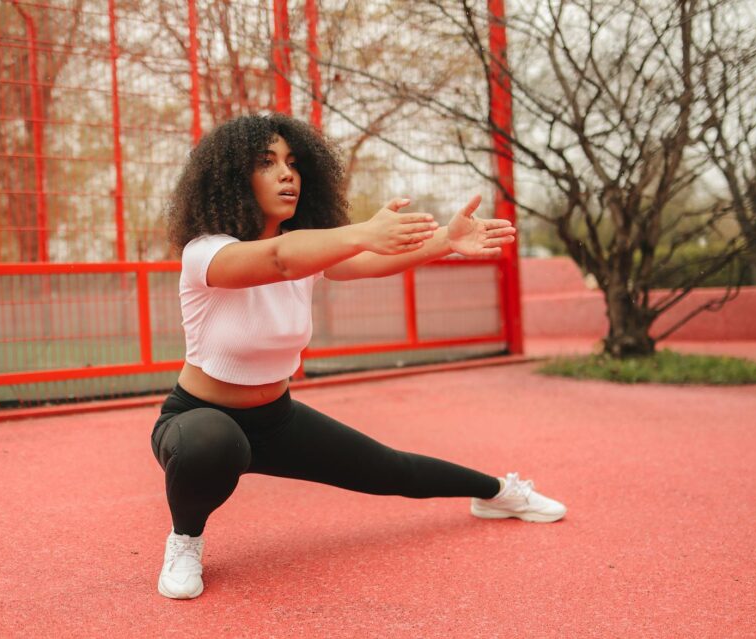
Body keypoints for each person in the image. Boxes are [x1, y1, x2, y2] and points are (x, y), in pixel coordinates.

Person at [151, 113, 565, 600]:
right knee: (211, 440)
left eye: (293, 162)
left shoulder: (309, 252)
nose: (288, 174)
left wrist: (444, 242)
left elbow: (366, 261)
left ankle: (497, 492)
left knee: (394, 470)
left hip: (276, 421)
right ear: (232, 178)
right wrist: (363, 231)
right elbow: (279, 259)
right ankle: (185, 541)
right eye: (267, 163)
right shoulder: (206, 253)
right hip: (197, 419)